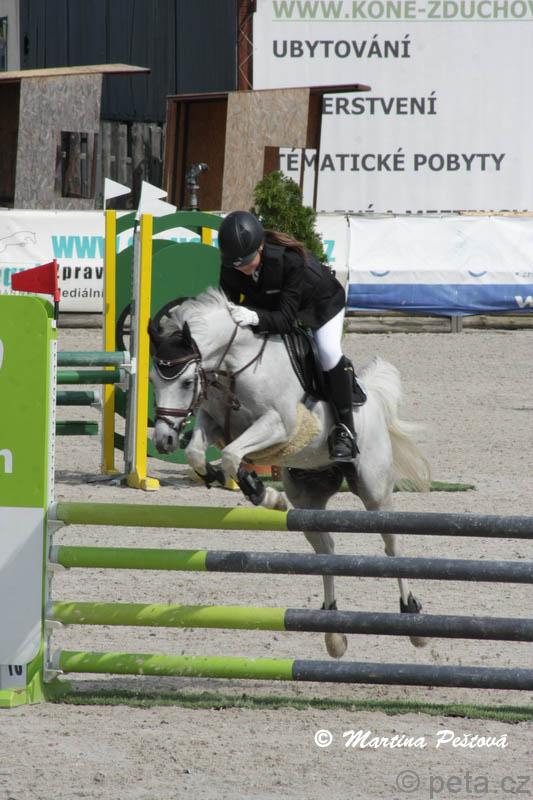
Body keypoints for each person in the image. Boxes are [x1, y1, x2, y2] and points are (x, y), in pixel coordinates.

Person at [218, 209, 361, 462]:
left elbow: (285, 321)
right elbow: (228, 308)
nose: (242, 269)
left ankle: (345, 431)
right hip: (276, 307)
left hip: (322, 305)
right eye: (236, 264)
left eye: (247, 261)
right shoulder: (232, 265)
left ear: (260, 247)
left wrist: (253, 317)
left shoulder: (289, 261)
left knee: (328, 352)